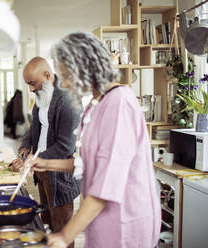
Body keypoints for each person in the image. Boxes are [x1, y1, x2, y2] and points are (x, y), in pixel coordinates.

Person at [25, 33, 161, 248]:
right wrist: (44, 163)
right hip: (102, 218)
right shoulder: (96, 104)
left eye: (68, 76)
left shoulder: (119, 103)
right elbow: (88, 163)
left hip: (125, 222)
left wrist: (65, 235)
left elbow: (107, 181)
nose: (66, 84)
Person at [11, 56, 80, 248]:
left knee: (62, 230)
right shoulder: (42, 95)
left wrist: (35, 159)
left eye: (33, 83)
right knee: (46, 222)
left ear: (48, 75)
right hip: (42, 170)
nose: (31, 89)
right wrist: (25, 146)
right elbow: (36, 126)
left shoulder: (67, 100)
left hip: (60, 175)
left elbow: (65, 147)